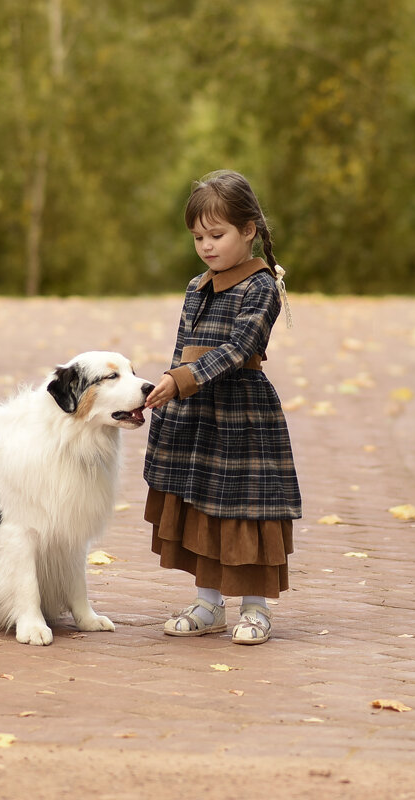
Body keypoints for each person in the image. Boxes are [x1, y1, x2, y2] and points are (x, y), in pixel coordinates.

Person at [143, 169, 302, 646]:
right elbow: (182, 348)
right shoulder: (196, 288)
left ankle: (256, 608)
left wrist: (181, 380)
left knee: (245, 509)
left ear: (248, 230)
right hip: (196, 413)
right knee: (202, 505)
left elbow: (239, 347)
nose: (207, 246)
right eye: (197, 237)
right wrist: (167, 402)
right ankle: (209, 603)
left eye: (217, 234)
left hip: (243, 414)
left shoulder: (262, 287)